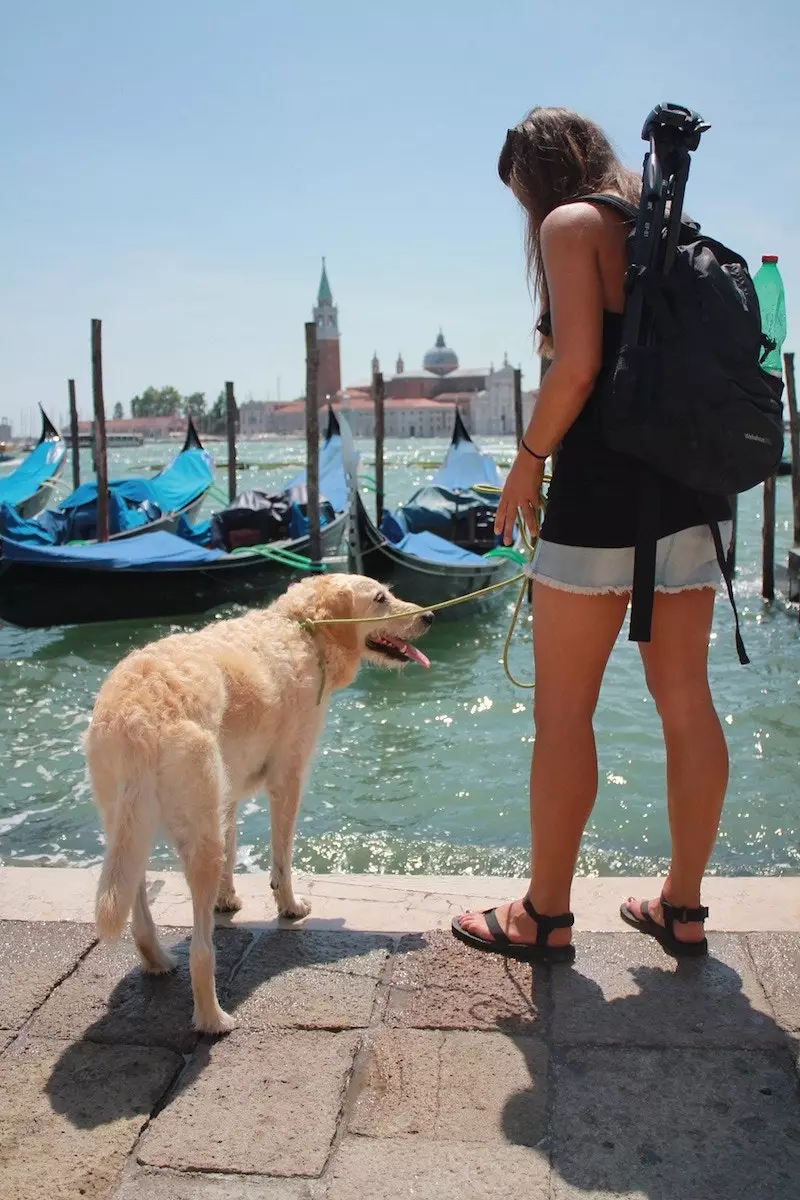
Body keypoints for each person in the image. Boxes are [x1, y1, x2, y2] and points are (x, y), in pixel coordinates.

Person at [451, 107, 731, 962]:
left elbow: (576, 369)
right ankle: (682, 907)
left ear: (540, 178)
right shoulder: (665, 222)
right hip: (690, 491)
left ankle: (544, 913)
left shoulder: (573, 224)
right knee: (686, 704)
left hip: (602, 494)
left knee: (564, 712)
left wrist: (526, 459)